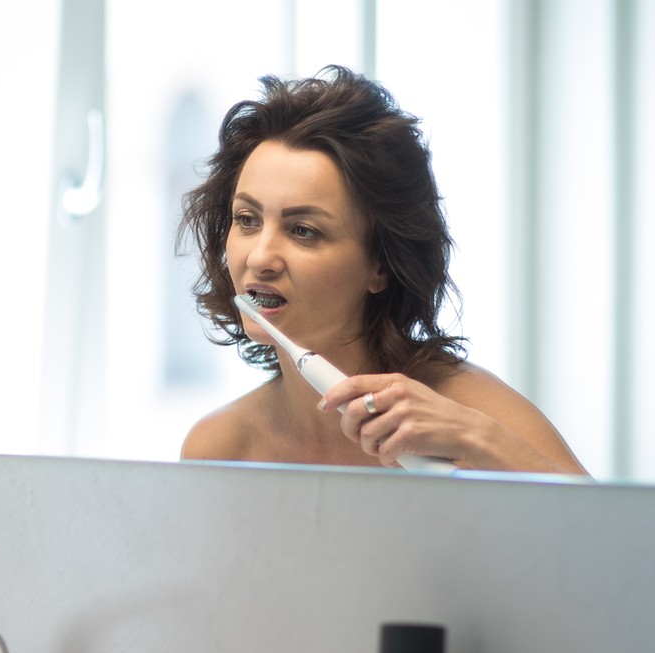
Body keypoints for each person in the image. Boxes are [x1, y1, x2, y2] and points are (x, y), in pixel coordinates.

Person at [178, 67, 587, 476]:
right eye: (247, 220)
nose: (259, 258)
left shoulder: (471, 414)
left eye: (303, 230)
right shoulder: (219, 448)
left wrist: (477, 441)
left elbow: (618, 537)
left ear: (381, 264)